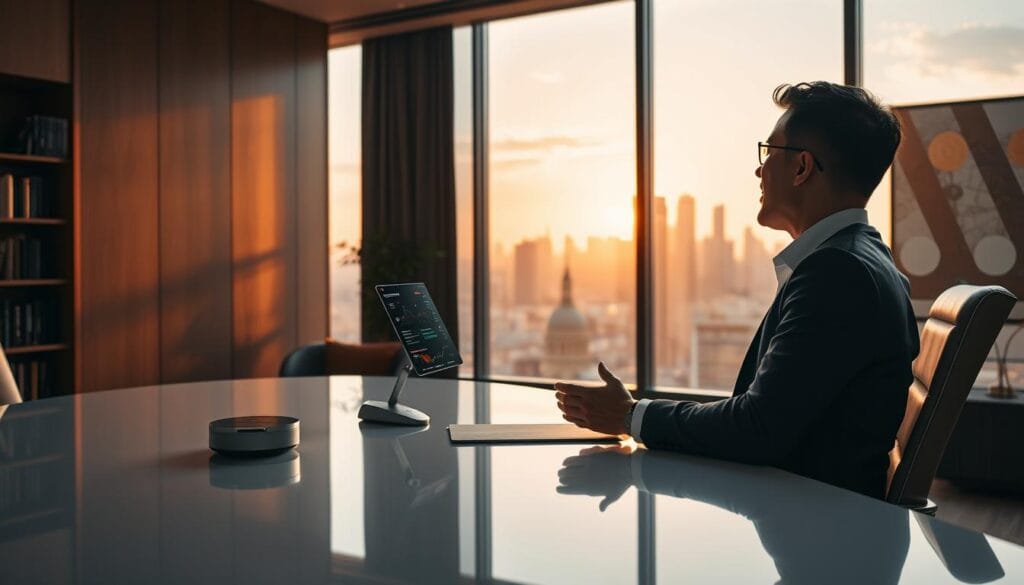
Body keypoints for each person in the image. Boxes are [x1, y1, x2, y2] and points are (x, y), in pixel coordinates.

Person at [555, 81, 920, 499]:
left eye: (769, 152)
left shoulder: (838, 273)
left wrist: (630, 416)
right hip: (812, 510)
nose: (759, 171)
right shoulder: (862, 258)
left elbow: (757, 428)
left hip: (810, 523)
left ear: (801, 168)